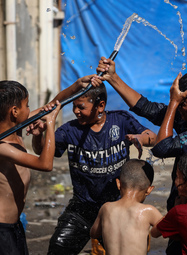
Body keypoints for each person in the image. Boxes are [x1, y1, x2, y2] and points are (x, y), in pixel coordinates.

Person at [31, 81, 157, 254]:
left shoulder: (120, 120)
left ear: (100, 105)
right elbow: (44, 150)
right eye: (74, 106)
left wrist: (140, 138)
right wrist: (38, 136)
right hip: (82, 209)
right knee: (58, 248)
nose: (75, 111)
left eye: (80, 107)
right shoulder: (70, 130)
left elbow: (152, 136)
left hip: (117, 208)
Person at [96, 58, 187, 211]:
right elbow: (146, 108)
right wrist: (113, 78)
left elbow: (161, 148)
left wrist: (173, 102)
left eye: (182, 103)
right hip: (182, 207)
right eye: (177, 102)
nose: (178, 107)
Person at [0, 75, 101, 255]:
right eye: (28, 105)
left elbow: (54, 104)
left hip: (13, 225)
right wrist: (50, 124)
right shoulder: (3, 147)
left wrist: (77, 85)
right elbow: (45, 164)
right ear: (14, 111)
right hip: (2, 229)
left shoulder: (16, 126)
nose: (31, 109)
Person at [90, 159, 162, 255]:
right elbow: (166, 229)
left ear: (118, 184)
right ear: (149, 189)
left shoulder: (106, 208)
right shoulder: (148, 211)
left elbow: (93, 233)